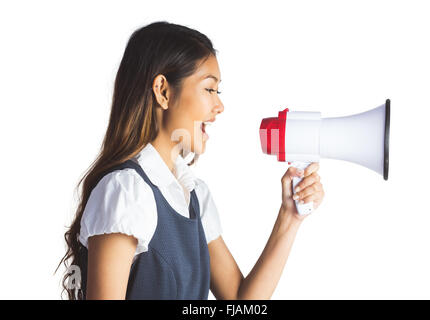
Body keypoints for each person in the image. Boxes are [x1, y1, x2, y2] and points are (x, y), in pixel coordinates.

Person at [56, 21, 324, 300]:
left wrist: (290, 217)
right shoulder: (126, 192)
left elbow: (239, 301)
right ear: (163, 91)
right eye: (209, 89)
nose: (219, 106)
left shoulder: (194, 197)